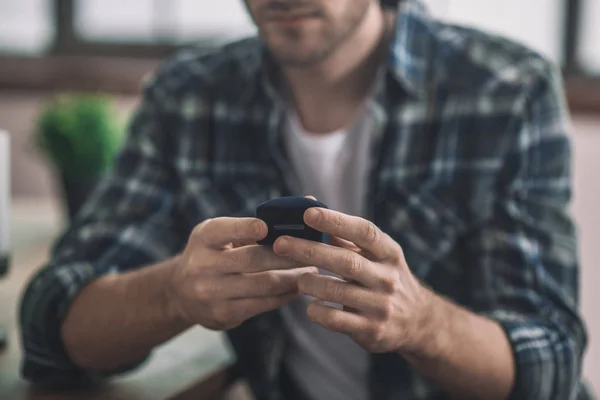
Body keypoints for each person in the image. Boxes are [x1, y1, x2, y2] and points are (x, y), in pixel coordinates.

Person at [19, 0, 592, 399]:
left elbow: (553, 366)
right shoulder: (190, 98)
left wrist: (423, 325)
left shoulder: (507, 90)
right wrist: (173, 293)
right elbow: (52, 323)